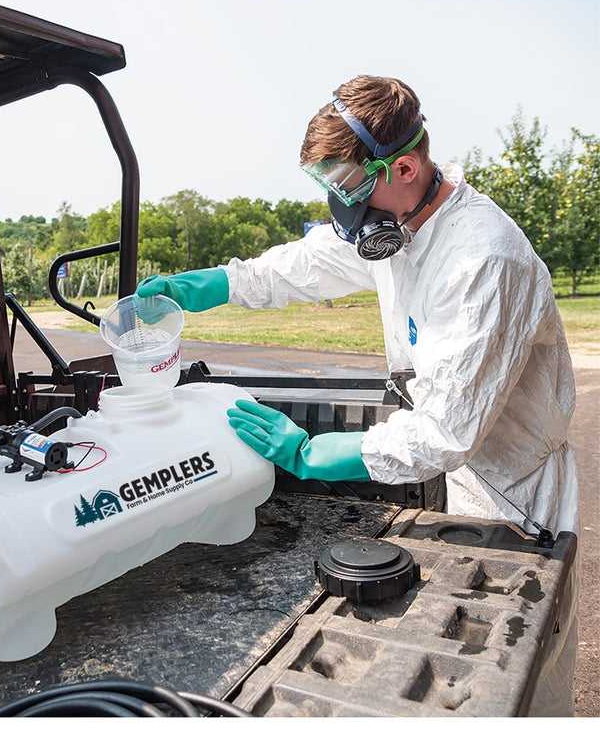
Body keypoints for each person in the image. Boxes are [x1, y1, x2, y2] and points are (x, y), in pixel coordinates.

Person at [136, 75, 579, 714]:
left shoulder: (482, 261)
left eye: (346, 185)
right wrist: (213, 285)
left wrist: (313, 453)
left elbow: (445, 432)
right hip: (464, 472)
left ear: (404, 167)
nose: (340, 204)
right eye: (328, 185)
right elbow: (308, 264)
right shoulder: (401, 223)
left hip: (516, 491)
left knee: (502, 678)